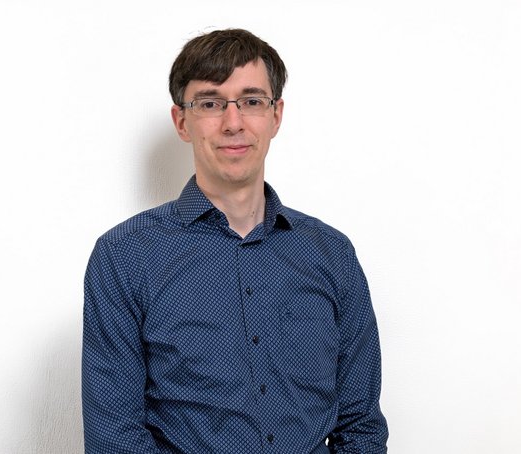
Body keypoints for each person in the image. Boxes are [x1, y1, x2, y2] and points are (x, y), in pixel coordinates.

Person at [82, 28, 388, 453]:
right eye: (210, 103)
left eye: (251, 101)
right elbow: (115, 438)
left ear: (275, 116)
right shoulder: (124, 257)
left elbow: (361, 425)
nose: (233, 122)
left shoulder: (331, 254)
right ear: (182, 121)